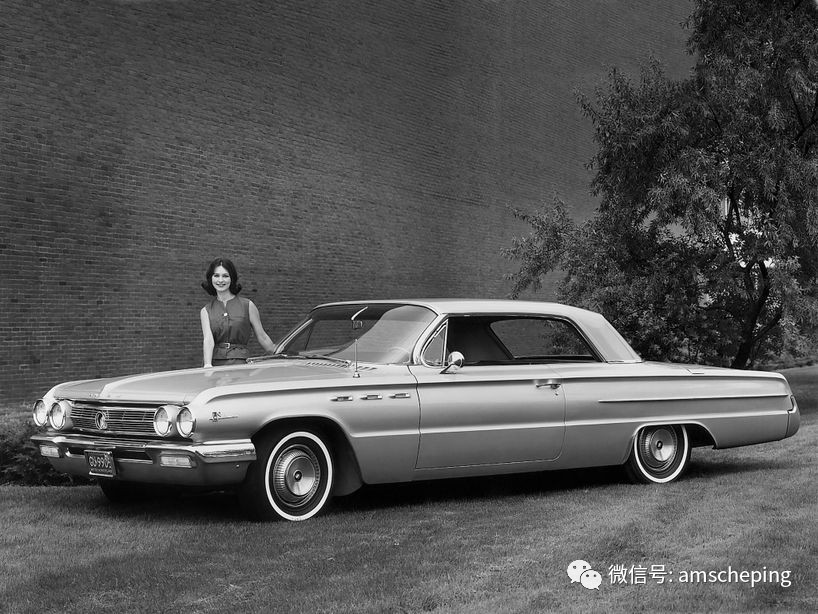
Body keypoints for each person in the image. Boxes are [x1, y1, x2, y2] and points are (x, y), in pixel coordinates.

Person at [200, 257, 277, 367]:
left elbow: (262, 337)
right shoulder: (206, 310)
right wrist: (207, 365)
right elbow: (208, 340)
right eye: (216, 275)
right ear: (210, 278)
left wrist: (280, 354)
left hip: (240, 363)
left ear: (232, 278)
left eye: (225, 276)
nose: (220, 280)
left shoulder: (248, 305)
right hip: (216, 364)